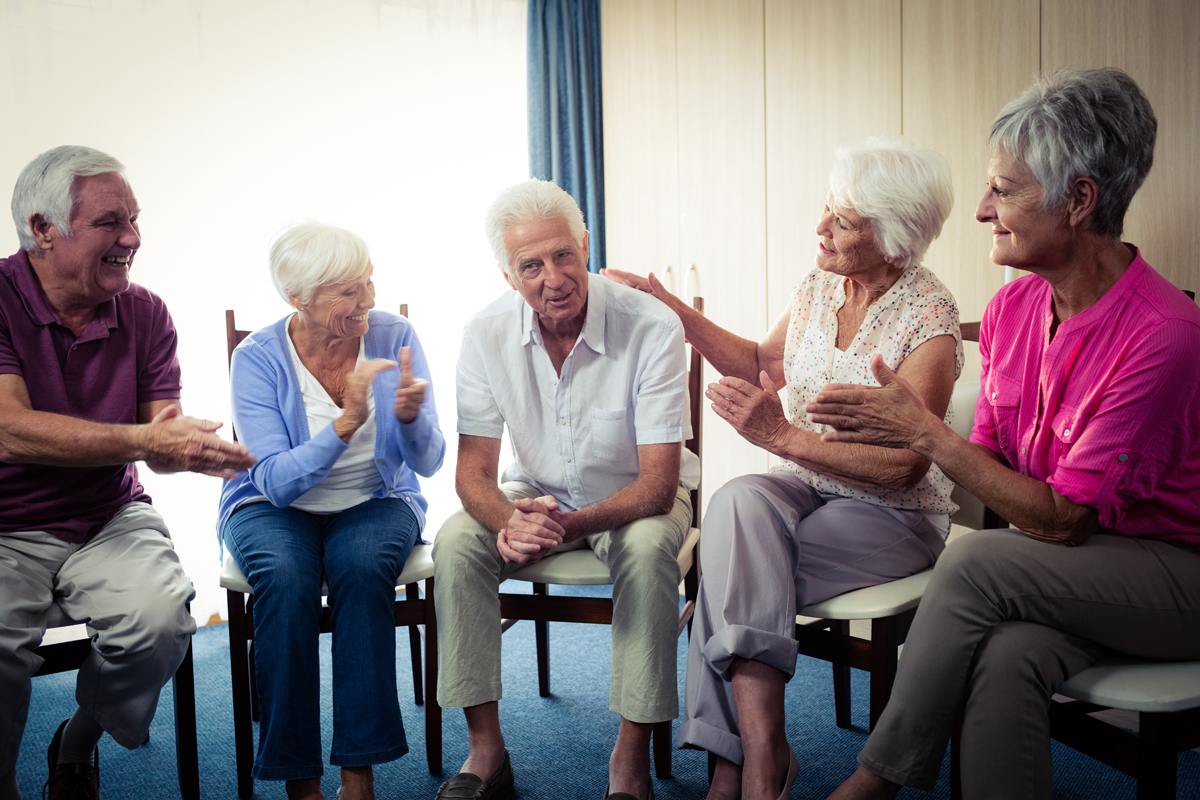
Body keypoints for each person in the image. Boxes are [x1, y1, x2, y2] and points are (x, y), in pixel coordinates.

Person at [814, 69, 1200, 800]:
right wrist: (916, 435)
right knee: (1010, 654)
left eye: (1003, 190)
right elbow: (989, 462)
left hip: (1175, 576)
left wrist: (926, 435)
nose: (982, 210)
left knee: (975, 560)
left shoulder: (1165, 335)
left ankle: (872, 784)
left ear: (1079, 200)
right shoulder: (1011, 311)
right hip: (1076, 569)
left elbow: (1065, 520)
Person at [606, 138, 961, 800]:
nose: (820, 227)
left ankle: (740, 769)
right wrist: (672, 309)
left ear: (893, 246)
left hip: (894, 514)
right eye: (827, 207)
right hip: (809, 488)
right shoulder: (819, 286)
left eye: (842, 221)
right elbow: (763, 364)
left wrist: (783, 436)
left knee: (730, 571)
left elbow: (907, 466)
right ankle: (764, 757)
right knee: (736, 501)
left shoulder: (930, 319)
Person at [0, 145, 256, 800]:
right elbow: (9, 430)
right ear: (42, 228)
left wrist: (184, 449)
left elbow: (158, 442)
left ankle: (76, 743)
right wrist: (145, 440)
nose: (132, 238)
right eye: (111, 222)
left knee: (162, 620)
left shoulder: (145, 312)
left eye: (135, 219)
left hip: (108, 517)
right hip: (6, 527)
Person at [431, 179, 699, 800]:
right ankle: (486, 752)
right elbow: (473, 473)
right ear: (507, 276)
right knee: (456, 542)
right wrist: (511, 520)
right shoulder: (484, 333)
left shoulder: (652, 326)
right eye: (531, 265)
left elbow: (659, 486)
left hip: (635, 498)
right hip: (535, 492)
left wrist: (559, 526)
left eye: (563, 255)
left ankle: (629, 762)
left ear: (585, 246)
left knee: (646, 549)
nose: (553, 278)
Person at [218, 222, 444, 800]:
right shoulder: (257, 358)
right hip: (271, 507)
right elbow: (275, 482)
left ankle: (357, 779)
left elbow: (429, 461)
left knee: (362, 569)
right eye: (348, 290)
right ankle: (301, 782)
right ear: (298, 298)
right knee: (286, 576)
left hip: (375, 497)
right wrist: (346, 423)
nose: (368, 299)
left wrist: (411, 420)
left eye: (368, 281)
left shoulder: (395, 336)